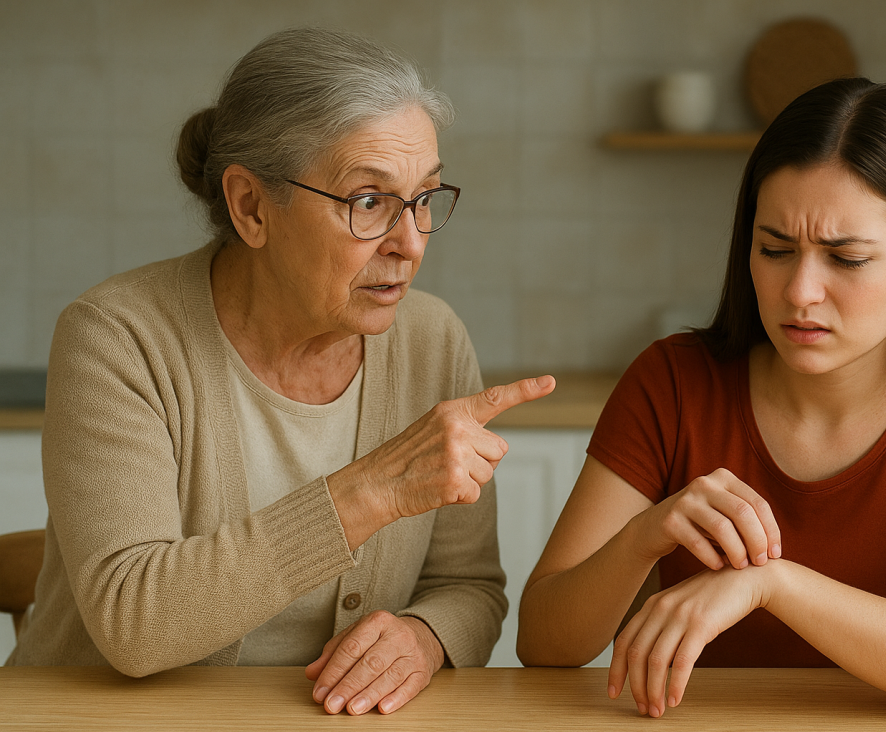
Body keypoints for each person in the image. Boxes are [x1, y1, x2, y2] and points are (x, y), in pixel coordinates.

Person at [8, 27, 554, 717]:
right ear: (251, 207)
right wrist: (374, 490)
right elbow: (132, 621)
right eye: (368, 201)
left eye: (423, 198)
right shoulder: (117, 337)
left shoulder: (433, 339)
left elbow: (468, 586)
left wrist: (423, 636)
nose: (411, 244)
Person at [516, 77, 886, 723]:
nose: (800, 292)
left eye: (845, 259)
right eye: (774, 249)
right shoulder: (672, 381)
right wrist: (643, 537)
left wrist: (772, 583)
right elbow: (542, 643)